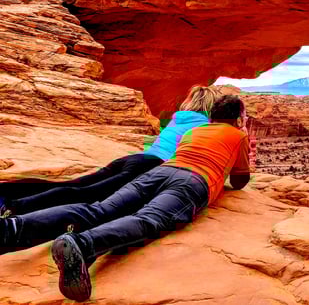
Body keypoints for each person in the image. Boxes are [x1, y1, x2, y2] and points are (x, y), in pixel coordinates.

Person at [0, 94, 251, 302]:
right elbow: (240, 180)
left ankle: (13, 228)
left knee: (99, 208)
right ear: (238, 117)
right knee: (148, 219)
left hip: (158, 171)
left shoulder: (195, 132)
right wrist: (243, 136)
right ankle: (85, 245)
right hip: (193, 181)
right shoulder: (238, 135)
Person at [0, 85, 217, 217]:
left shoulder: (178, 119)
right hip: (151, 166)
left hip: (136, 159)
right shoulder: (205, 127)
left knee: (76, 184)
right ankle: (14, 208)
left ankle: (7, 193)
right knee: (86, 194)